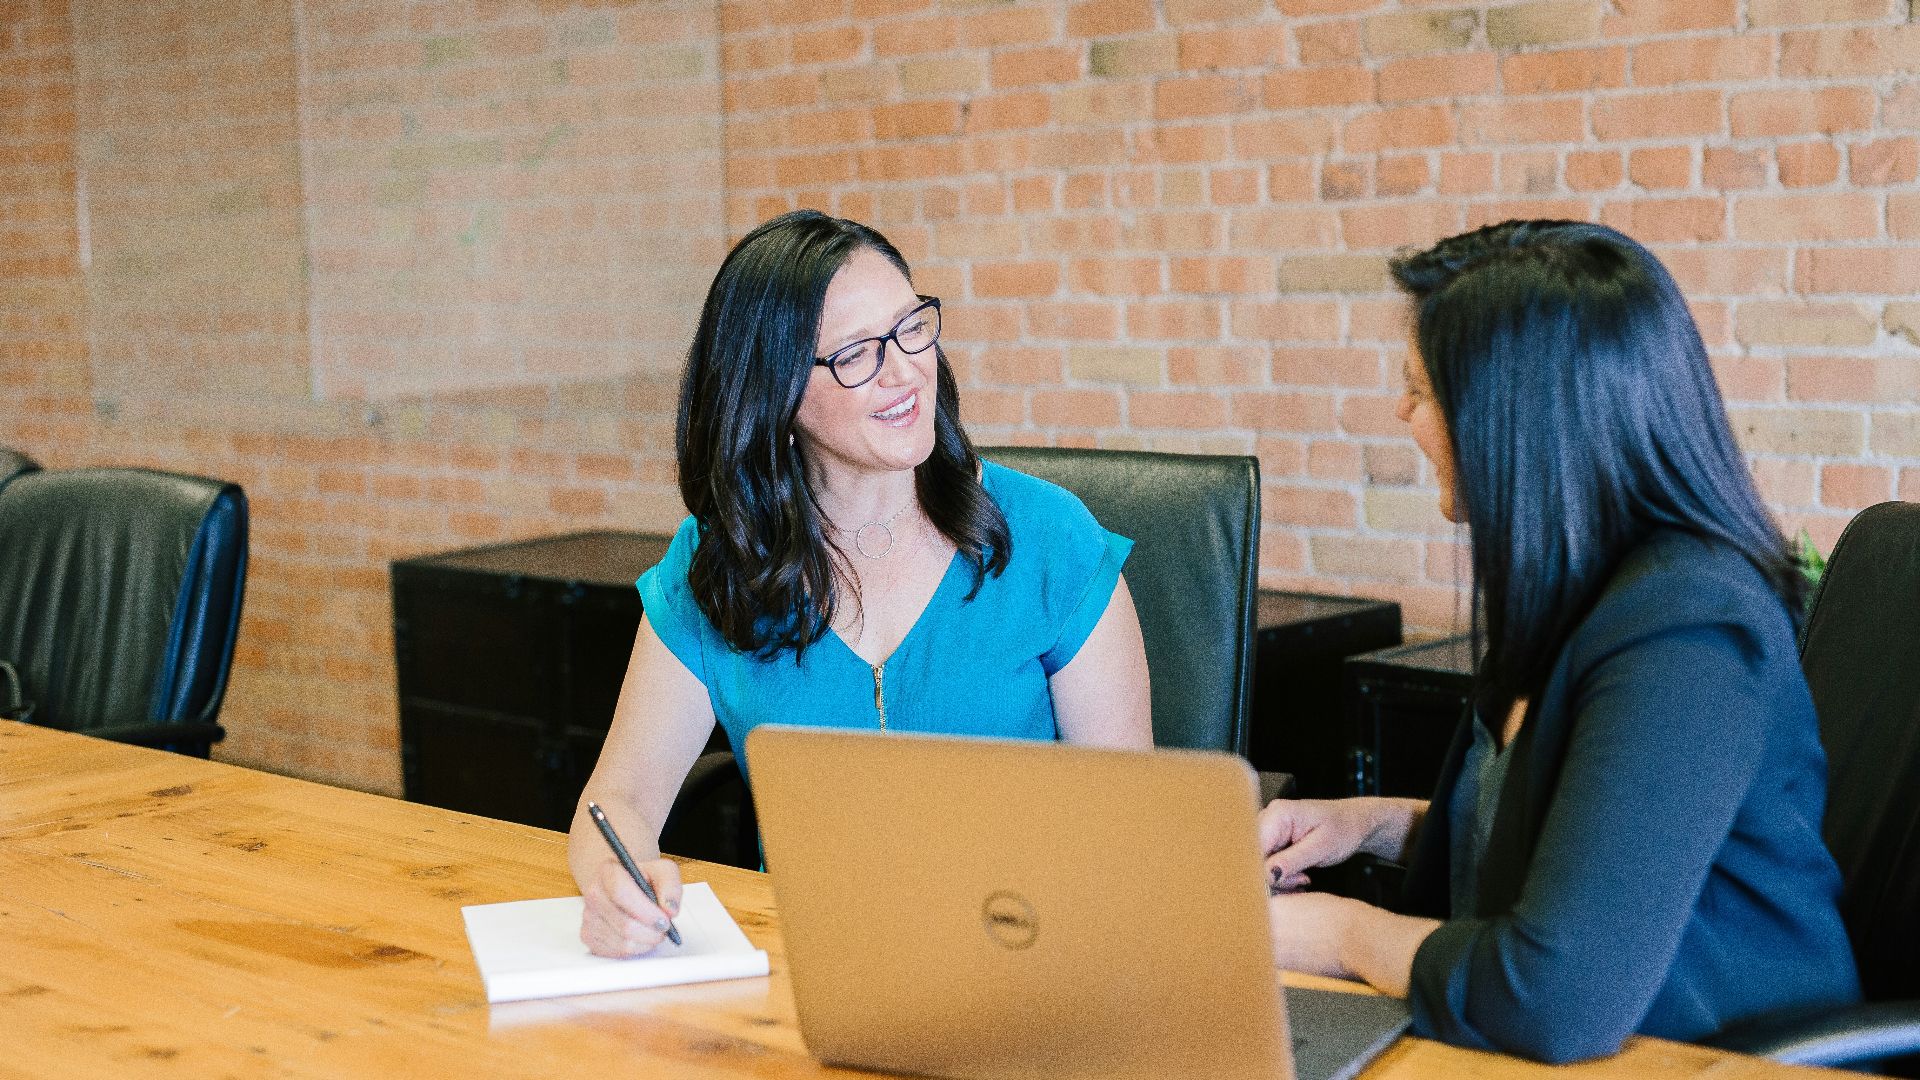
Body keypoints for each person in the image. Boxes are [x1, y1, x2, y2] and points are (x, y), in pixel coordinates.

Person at [1258, 221, 1861, 1063]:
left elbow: (1553, 996)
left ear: (1512, 424)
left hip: (1712, 1057)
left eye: (1421, 392)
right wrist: (1371, 824)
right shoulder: (1576, 589)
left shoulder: (1689, 632)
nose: (1401, 413)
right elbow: (1568, 843)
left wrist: (1339, 934)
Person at [568, 210, 1153, 958]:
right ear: (774, 393)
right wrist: (612, 888)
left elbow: (1132, 826)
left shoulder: (1050, 541)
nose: (906, 369)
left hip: (1030, 959)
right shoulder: (717, 568)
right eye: (856, 355)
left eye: (912, 328)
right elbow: (615, 800)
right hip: (812, 968)